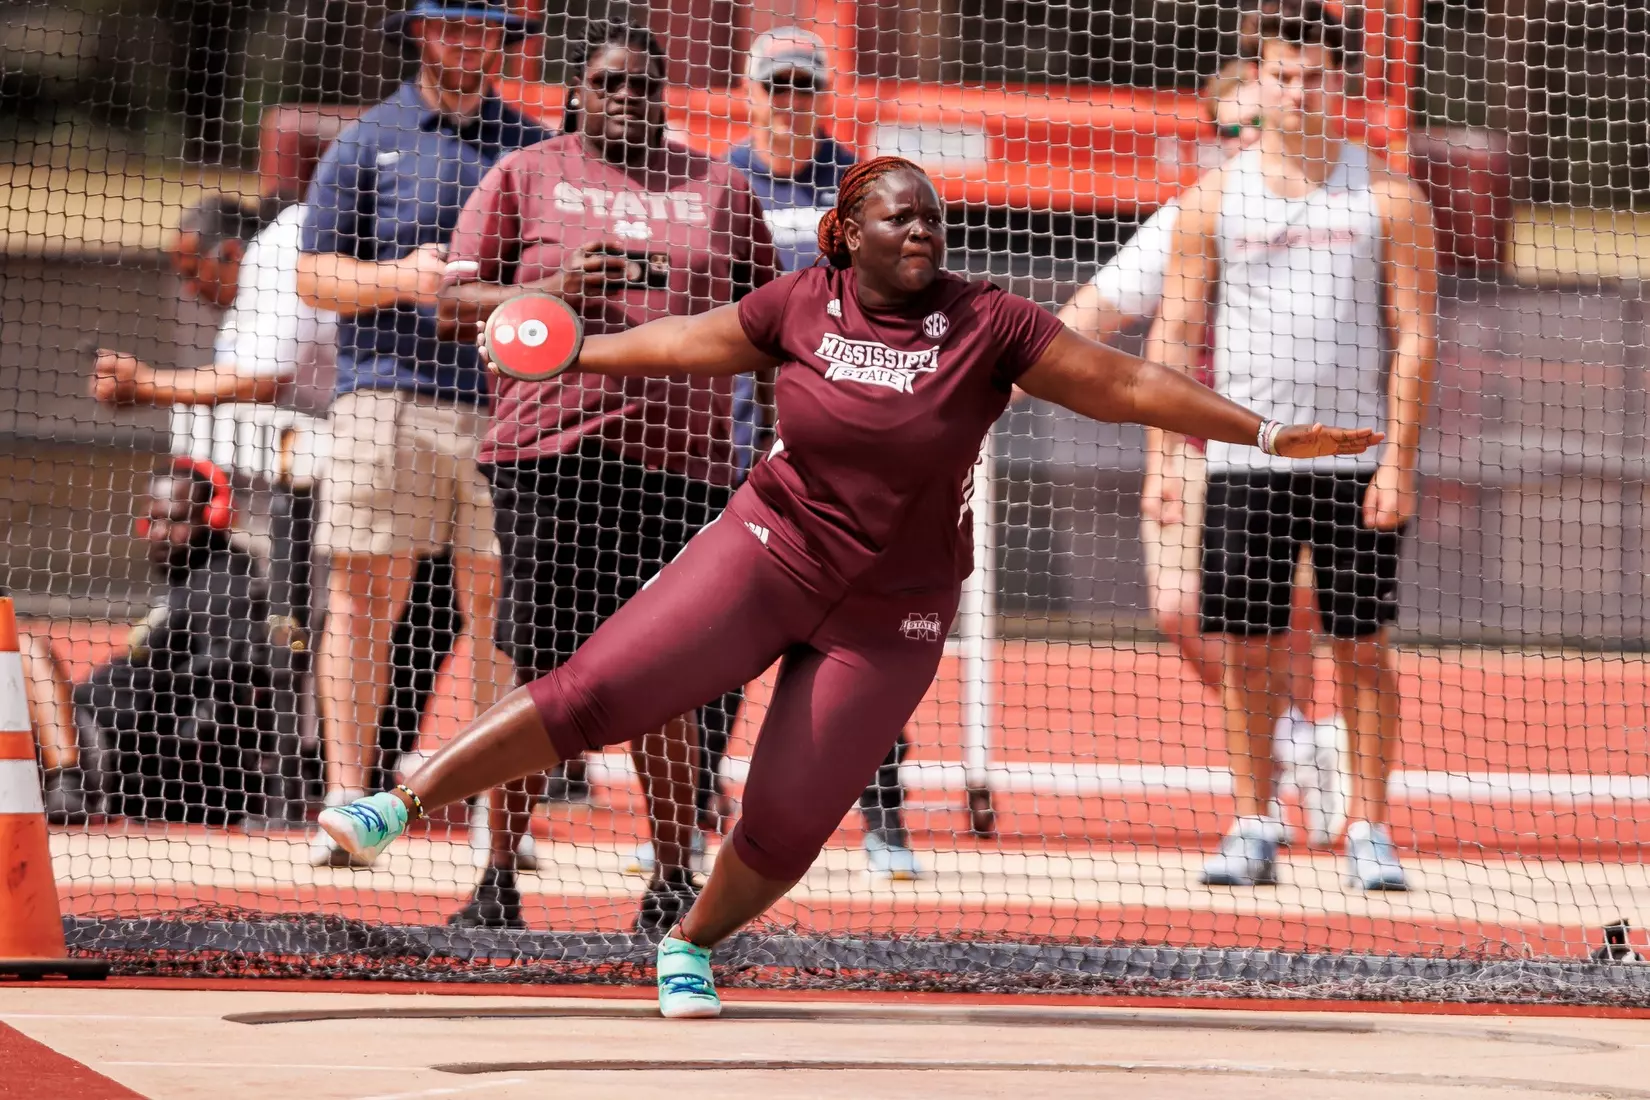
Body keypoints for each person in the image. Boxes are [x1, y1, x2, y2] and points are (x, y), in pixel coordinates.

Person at [317, 154, 1381, 1018]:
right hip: (769, 549)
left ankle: (686, 943)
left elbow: (1127, 383)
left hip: (894, 610)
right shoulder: (800, 302)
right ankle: (391, 804)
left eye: (933, 219)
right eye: (901, 218)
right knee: (598, 690)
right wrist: (579, 352)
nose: (924, 233)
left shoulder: (990, 323)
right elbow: (687, 342)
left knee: (787, 820)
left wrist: (1267, 431)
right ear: (849, 232)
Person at [436, 21, 778, 930]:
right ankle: (496, 881)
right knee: (541, 672)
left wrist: (781, 448)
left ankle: (671, 884)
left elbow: (778, 321)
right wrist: (549, 295)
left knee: (673, 680)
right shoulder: (525, 174)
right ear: (576, 93)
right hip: (551, 460)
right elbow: (451, 302)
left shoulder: (722, 188)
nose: (628, 98)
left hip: (687, 472)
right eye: (608, 83)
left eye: (643, 85)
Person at [1146, 0, 1437, 890]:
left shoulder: (1387, 195)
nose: (1300, 92)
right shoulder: (1211, 200)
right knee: (1244, 647)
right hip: (1246, 458)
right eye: (1283, 76)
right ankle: (1252, 821)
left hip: (1353, 461)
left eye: (1315, 77)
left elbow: (1416, 333)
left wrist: (1400, 461)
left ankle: (1368, 828)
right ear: (1258, 81)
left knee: (1362, 648)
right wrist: (1165, 458)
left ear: (1338, 82)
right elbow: (1173, 330)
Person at [1058, 59, 1347, 848]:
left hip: (1309, 449)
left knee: (1291, 621)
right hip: (1201, 452)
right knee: (1181, 609)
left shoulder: (1346, 205)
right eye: (1229, 128)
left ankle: (1277, 791)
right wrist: (1007, 370)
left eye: (1255, 121)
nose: (1245, 138)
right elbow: (1117, 311)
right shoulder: (1200, 211)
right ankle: (1298, 739)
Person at [660, 25, 916, 881]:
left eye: (806, 84)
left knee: (866, 635)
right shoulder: (715, 180)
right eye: (777, 84)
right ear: (749, 91)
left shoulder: (863, 185)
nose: (791, 100)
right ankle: (692, 814)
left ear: (825, 94)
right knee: (716, 635)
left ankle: (885, 820)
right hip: (733, 441)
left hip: (849, 447)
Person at [297, 0, 542, 868]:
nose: (465, 41)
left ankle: (494, 815)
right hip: (384, 398)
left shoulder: (532, 144)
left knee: (503, 612)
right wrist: (400, 279)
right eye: (449, 24)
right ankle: (345, 802)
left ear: (504, 41)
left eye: (482, 26)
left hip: (509, 405)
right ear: (421, 31)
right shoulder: (370, 137)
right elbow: (312, 276)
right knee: (363, 600)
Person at [73, 461, 294, 823]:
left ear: (214, 518)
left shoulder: (220, 587)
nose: (160, 533)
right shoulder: (204, 578)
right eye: (154, 521)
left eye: (176, 521)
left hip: (193, 780)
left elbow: (210, 682)